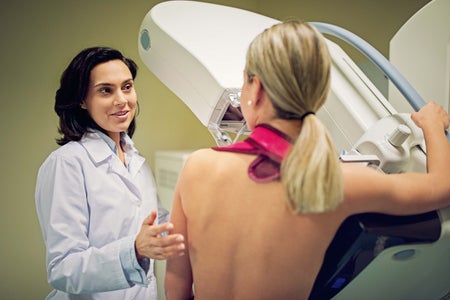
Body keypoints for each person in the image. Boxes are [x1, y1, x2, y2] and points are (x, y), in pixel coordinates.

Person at [164, 20, 450, 300]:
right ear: (321, 96)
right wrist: (432, 125)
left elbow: (176, 285)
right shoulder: (337, 182)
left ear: (257, 88)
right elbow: (442, 185)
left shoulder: (197, 167)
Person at [35, 46, 186, 300]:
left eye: (127, 87)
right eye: (106, 90)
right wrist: (135, 250)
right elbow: (62, 269)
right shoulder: (67, 164)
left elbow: (158, 226)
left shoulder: (136, 162)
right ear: (82, 100)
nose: (122, 100)